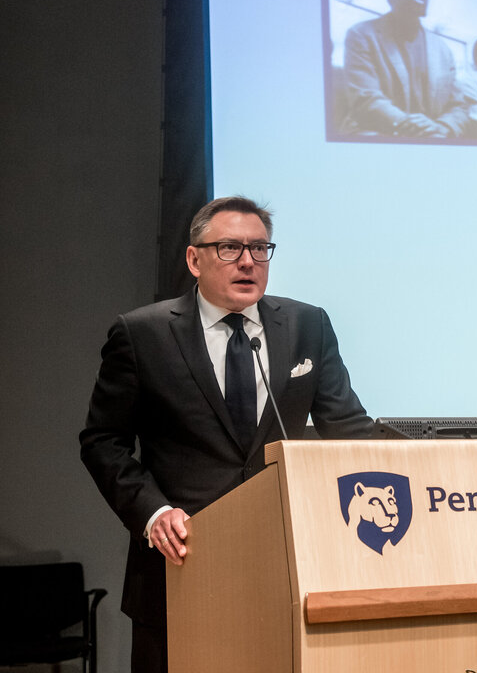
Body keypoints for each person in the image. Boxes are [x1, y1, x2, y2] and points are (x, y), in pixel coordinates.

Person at [80, 196, 375, 673]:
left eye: (260, 249)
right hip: (182, 563)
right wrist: (151, 511)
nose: (248, 262)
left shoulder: (307, 325)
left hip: (284, 563)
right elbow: (102, 441)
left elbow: (349, 428)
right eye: (230, 248)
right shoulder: (142, 334)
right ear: (194, 259)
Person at [339, 0, 467, 139]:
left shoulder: (443, 50)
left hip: (432, 138)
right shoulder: (362, 34)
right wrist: (416, 128)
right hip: (376, 136)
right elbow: (366, 98)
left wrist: (442, 127)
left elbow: (459, 106)